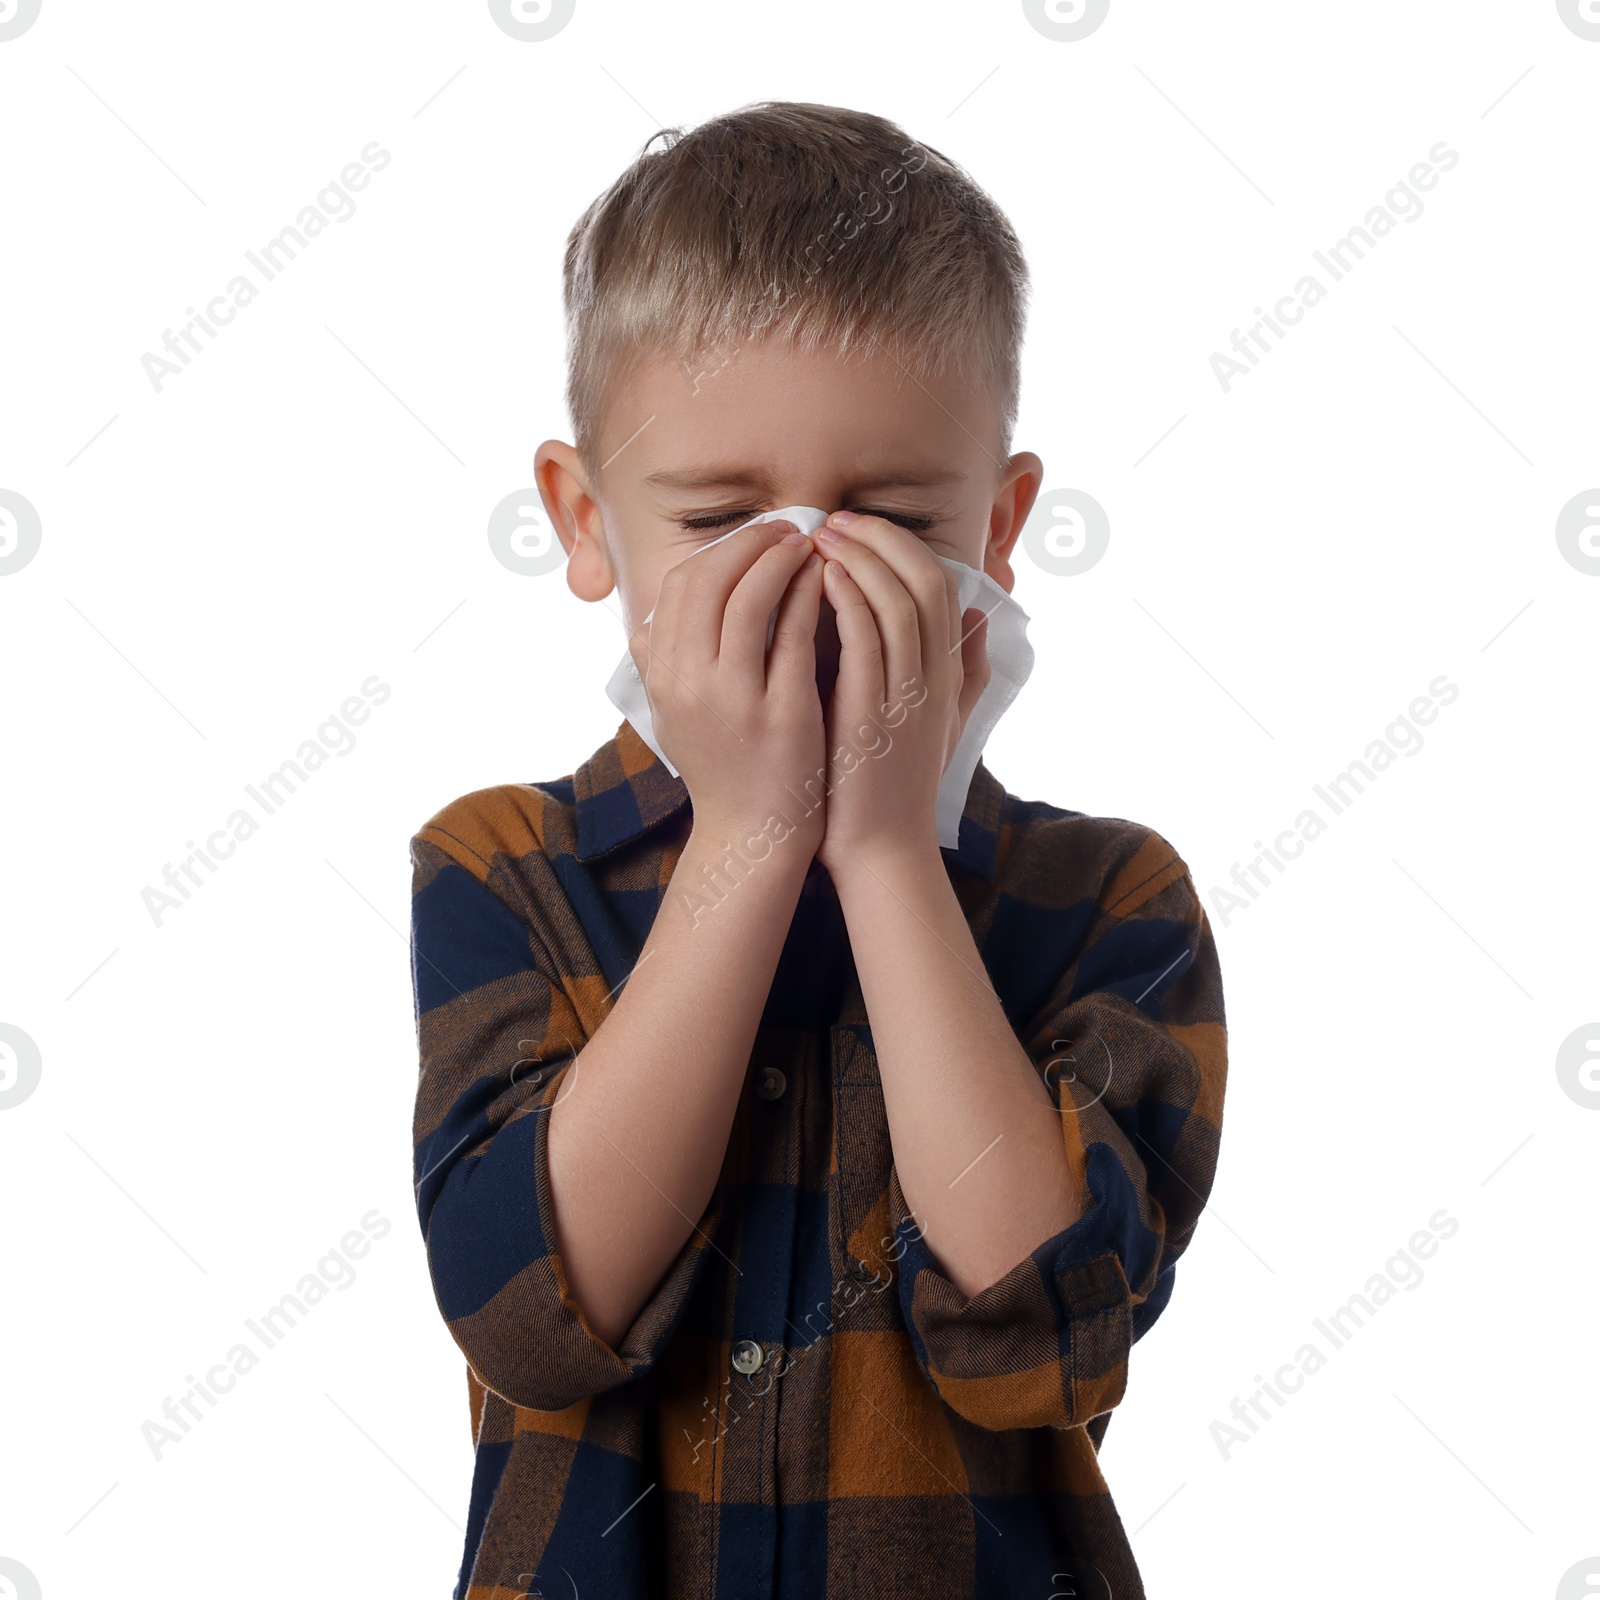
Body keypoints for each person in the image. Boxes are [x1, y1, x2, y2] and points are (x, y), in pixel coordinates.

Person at [408, 100, 1228, 1600]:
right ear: (588, 526)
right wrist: (750, 838)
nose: (806, 579)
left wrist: (885, 853)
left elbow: (1044, 1333)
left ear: (999, 520)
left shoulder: (1112, 903)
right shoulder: (505, 866)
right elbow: (531, 1312)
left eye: (893, 517)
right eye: (721, 517)